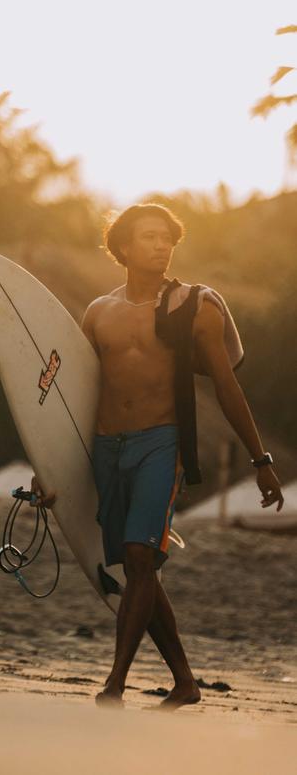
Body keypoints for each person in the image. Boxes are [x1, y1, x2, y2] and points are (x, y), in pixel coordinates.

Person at [78, 203, 284, 710]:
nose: (161, 246)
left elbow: (227, 385)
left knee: (143, 556)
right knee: (135, 565)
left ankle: (115, 683)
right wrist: (48, 467)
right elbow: (75, 395)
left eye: (166, 238)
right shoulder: (97, 312)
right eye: (148, 237)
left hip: (159, 442)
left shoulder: (192, 308)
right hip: (107, 445)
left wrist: (261, 460)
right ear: (123, 246)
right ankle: (185, 682)